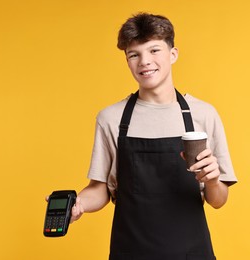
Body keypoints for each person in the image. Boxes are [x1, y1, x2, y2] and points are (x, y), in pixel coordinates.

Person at [69, 13, 237, 260]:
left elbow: (218, 200)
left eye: (154, 50)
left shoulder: (203, 115)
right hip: (130, 252)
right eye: (134, 54)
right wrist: (79, 204)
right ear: (127, 61)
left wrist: (212, 181)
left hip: (192, 253)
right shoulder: (111, 118)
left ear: (173, 54)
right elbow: (100, 188)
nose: (144, 62)